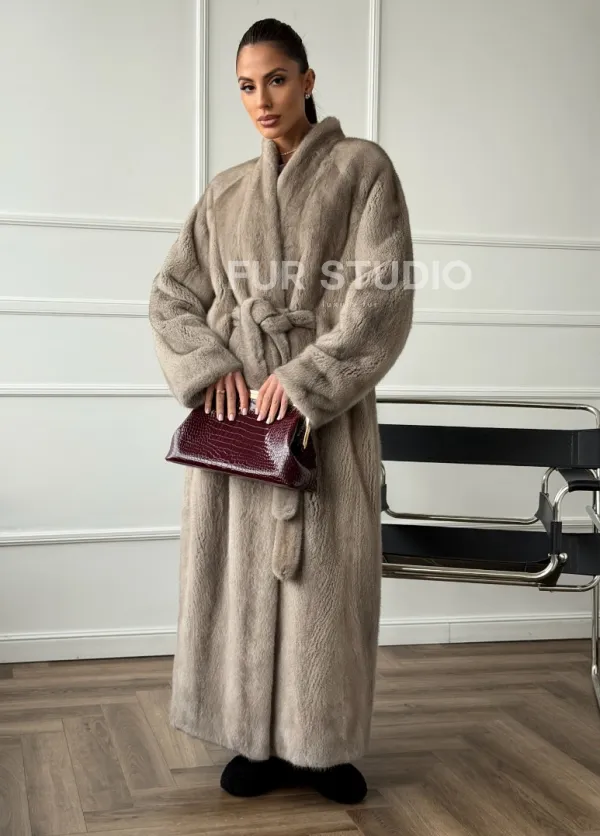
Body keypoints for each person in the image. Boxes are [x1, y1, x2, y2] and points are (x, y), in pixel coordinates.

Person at [148, 17, 414, 805]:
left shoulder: (364, 170)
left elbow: (381, 295)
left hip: (321, 419)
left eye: (274, 79)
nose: (260, 99)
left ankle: (322, 745)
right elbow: (172, 295)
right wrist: (211, 367)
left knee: (324, 580)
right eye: (245, 85)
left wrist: (309, 378)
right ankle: (253, 739)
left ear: (306, 79)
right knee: (238, 578)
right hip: (239, 423)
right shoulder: (226, 191)